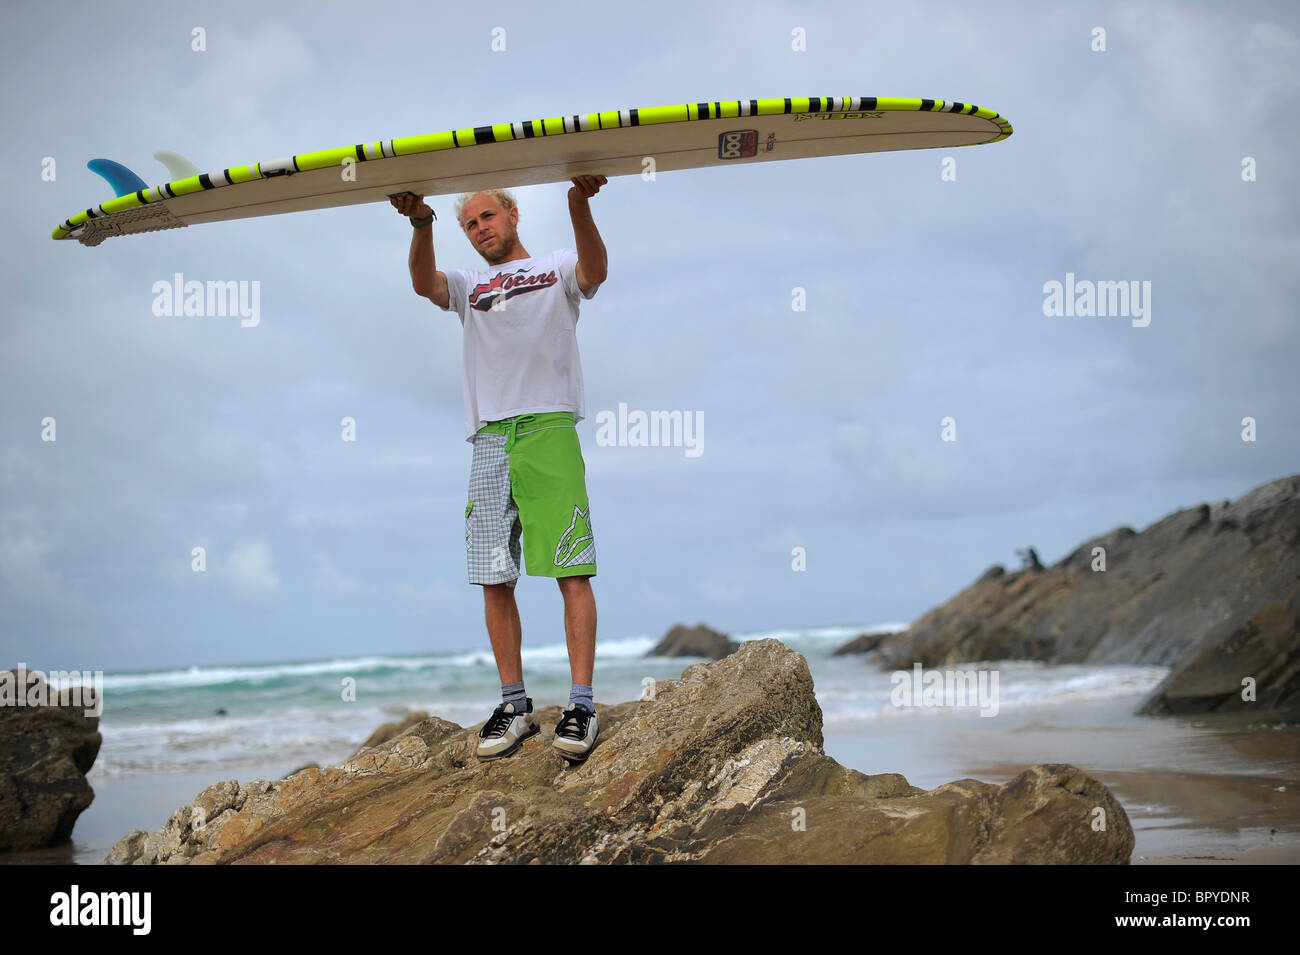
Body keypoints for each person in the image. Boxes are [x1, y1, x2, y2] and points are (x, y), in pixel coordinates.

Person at [392, 176, 609, 763]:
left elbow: (595, 271)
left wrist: (578, 204)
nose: (481, 229)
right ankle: (514, 705)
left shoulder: (557, 266)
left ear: (512, 214)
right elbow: (423, 284)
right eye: (470, 224)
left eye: (487, 217)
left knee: (571, 566)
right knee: (493, 574)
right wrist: (421, 223)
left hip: (548, 428)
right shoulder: (469, 284)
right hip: (490, 437)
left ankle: (582, 703)